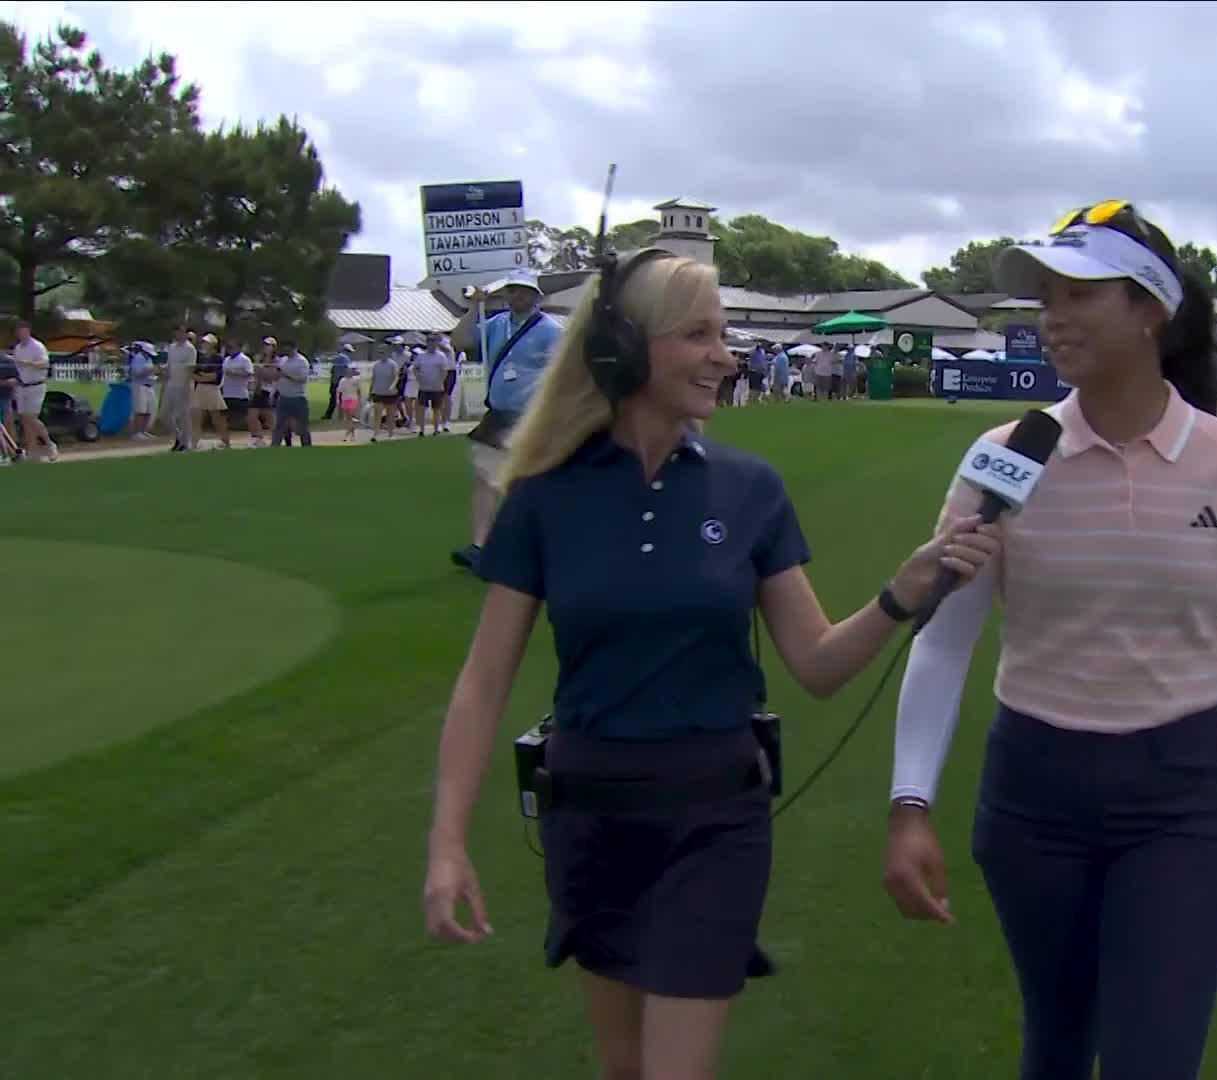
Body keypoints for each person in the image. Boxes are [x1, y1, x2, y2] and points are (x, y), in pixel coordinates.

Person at [421, 249, 1002, 1080]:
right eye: (698, 335)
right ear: (625, 348)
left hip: (714, 817)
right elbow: (483, 686)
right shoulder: (545, 497)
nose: (724, 357)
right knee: (625, 1069)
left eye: (723, 336)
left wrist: (898, 596)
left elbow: (818, 664)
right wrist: (447, 841)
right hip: (588, 816)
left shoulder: (749, 489)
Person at [883, 201, 1217, 1080]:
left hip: (1178, 800)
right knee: (1057, 1042)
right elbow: (943, 643)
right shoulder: (1003, 457)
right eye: (1046, 297)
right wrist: (910, 804)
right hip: (1032, 795)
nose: (1053, 317)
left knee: (1152, 1059)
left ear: (1149, 310)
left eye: (1079, 294)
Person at [452, 271, 564, 571]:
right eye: (512, 291)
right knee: (485, 478)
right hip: (499, 415)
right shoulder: (496, 324)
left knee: (527, 483)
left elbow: (563, 375)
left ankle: (534, 544)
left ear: (535, 296)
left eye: (522, 291)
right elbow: (460, 340)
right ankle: (481, 546)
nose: (516, 296)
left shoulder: (551, 331)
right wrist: (474, 308)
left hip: (532, 416)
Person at [9, 320, 58, 461]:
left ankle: (50, 444)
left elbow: (44, 363)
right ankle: (32, 451)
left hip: (36, 386)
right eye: (18, 331)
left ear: (28, 331)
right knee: (25, 420)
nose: (21, 334)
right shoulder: (18, 348)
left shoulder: (37, 346)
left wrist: (29, 363)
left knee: (31, 418)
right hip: (21, 387)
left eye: (23, 331)